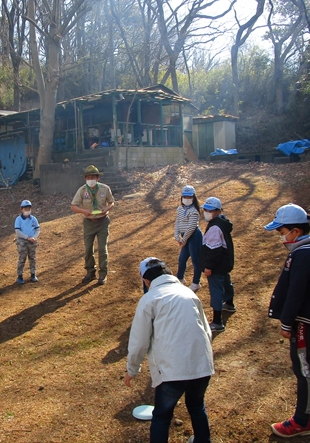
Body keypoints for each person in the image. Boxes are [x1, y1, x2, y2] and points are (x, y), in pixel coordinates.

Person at [125, 257, 214, 443]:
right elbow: (207, 331)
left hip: (172, 371)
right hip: (202, 365)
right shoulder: (189, 293)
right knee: (197, 406)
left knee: (162, 415)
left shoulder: (150, 299)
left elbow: (139, 340)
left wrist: (132, 370)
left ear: (146, 281)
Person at [264, 204, 310, 438]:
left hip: (304, 321)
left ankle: (302, 421)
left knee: (303, 368)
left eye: (282, 232)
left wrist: (286, 323)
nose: (281, 238)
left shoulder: (301, 255)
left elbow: (295, 292)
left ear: (296, 231)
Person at [70, 165, 115, 285]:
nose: (90, 179)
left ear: (98, 178)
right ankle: (90, 272)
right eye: (88, 177)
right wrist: (84, 211)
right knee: (88, 249)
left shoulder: (105, 189)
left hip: (102, 221)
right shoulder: (82, 190)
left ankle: (103, 273)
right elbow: (73, 206)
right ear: (85, 178)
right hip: (89, 223)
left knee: (102, 248)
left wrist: (107, 208)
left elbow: (111, 202)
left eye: (93, 177)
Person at [199, 197, 236, 333]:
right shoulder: (221, 222)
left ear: (218, 211)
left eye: (210, 210)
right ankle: (230, 304)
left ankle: (217, 321)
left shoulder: (215, 227)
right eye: (205, 209)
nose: (206, 212)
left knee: (216, 291)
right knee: (226, 282)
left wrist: (208, 266)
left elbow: (214, 250)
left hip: (216, 266)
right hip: (224, 263)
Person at [175, 185, 203, 292]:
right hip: (184, 237)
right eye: (185, 197)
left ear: (193, 198)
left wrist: (184, 239)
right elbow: (178, 222)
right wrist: (177, 235)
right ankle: (180, 278)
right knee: (182, 258)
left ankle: (196, 283)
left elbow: (191, 227)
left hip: (194, 237)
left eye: (189, 197)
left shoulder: (194, 211)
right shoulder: (180, 209)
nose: (187, 199)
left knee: (196, 261)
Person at [15, 199, 40, 284]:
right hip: (22, 241)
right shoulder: (18, 219)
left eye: (29, 209)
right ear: (21, 209)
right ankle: (20, 276)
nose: (27, 211)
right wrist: (27, 237)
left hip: (32, 241)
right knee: (22, 258)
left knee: (32, 258)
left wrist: (34, 237)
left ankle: (33, 274)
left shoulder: (33, 219)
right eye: (25, 209)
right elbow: (17, 231)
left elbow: (37, 229)